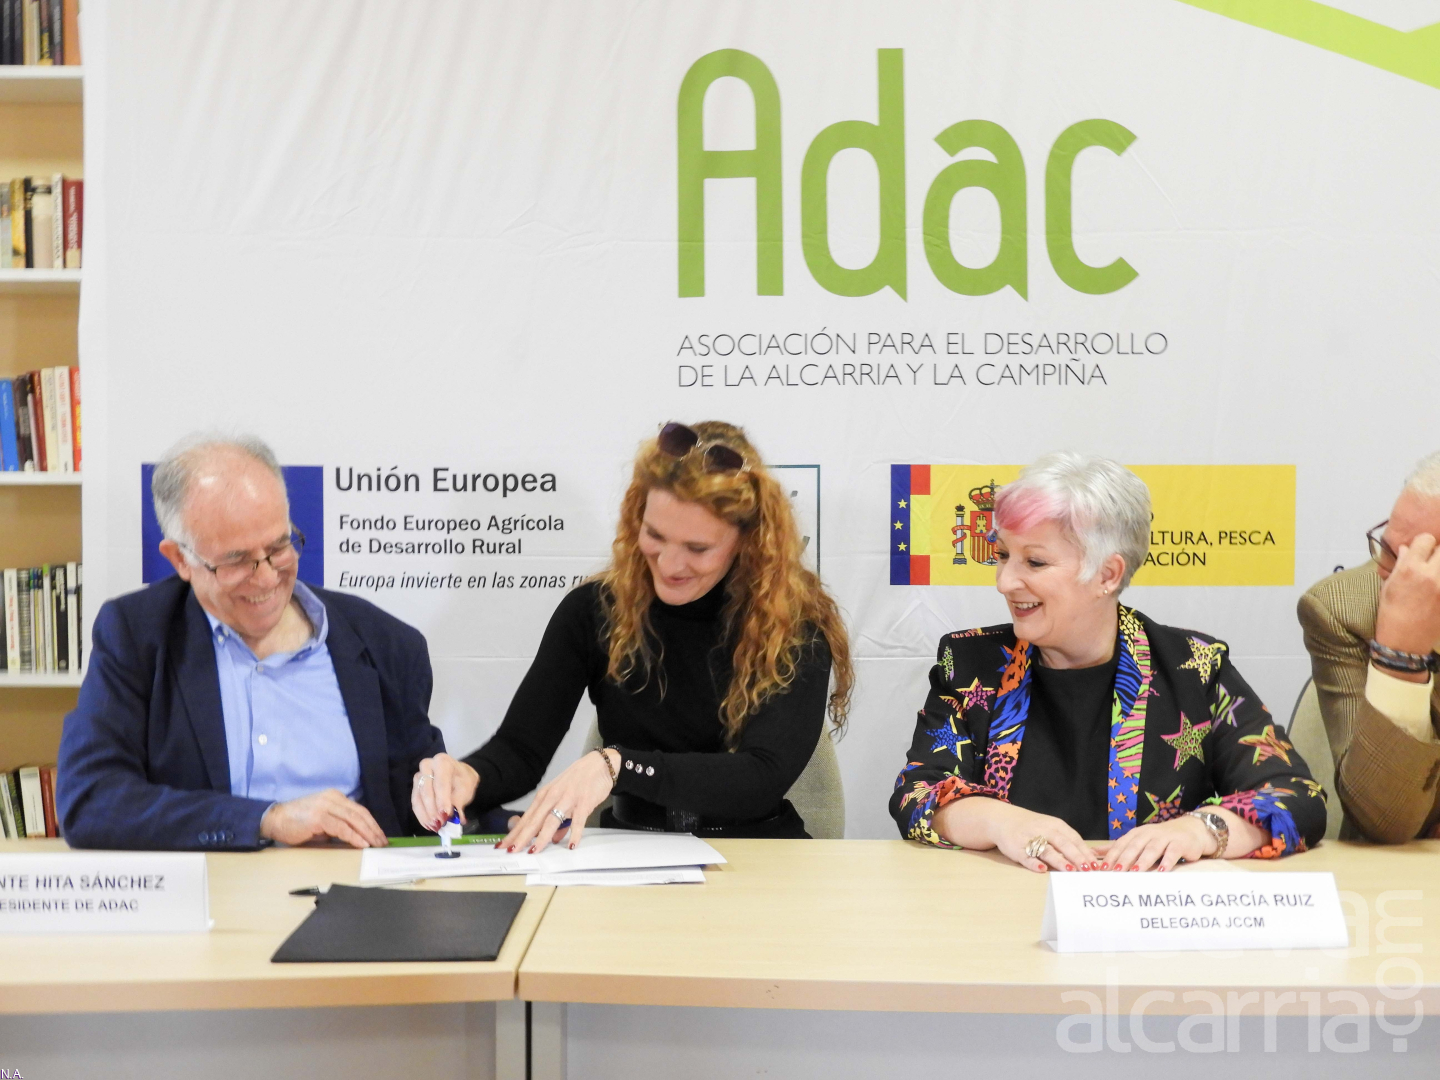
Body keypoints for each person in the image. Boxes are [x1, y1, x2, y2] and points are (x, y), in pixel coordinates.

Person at [411, 421, 853, 851]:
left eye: (698, 548)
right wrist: (469, 778)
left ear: (748, 540)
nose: (670, 564)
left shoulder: (792, 626)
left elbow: (760, 779)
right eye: (655, 535)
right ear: (636, 516)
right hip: (629, 853)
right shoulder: (593, 611)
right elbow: (521, 750)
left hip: (761, 856)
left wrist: (620, 767)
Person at [889, 452, 1327, 872]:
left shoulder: (1194, 667)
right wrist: (1002, 822)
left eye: (1034, 562)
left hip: (1143, 913)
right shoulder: (971, 663)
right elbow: (917, 795)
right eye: (1003, 555)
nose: (1005, 582)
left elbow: (1296, 797)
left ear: (1108, 574)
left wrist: (1200, 830)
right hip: (1003, 907)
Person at [57, 434, 445, 850]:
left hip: (355, 886)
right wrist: (265, 820)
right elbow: (90, 800)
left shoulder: (387, 645)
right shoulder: (137, 636)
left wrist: (447, 793)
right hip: (211, 888)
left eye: (279, 547)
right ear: (180, 559)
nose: (266, 578)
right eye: (237, 560)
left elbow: (428, 812)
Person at [1299, 452, 1440, 842]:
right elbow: (1382, 820)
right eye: (1387, 546)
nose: (1385, 571)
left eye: (1414, 561)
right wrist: (1400, 657)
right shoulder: (1345, 610)